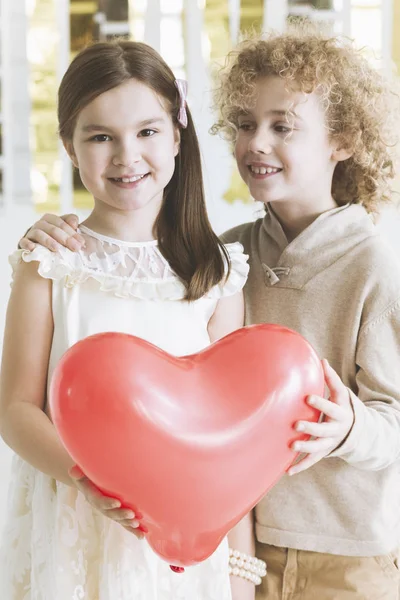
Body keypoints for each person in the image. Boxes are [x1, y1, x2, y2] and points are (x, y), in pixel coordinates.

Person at [26, 26, 400, 599]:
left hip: (342, 552)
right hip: (225, 541)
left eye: (282, 127)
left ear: (344, 138)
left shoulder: (372, 267)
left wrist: (351, 428)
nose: (256, 143)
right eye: (245, 125)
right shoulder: (225, 256)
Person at [0, 39, 261, 600]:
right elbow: (15, 409)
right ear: (70, 146)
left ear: (175, 134)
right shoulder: (50, 261)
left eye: (146, 132)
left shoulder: (216, 275)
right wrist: (85, 478)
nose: (126, 156)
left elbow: (233, 446)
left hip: (185, 553)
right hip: (75, 529)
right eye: (100, 137)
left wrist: (240, 578)